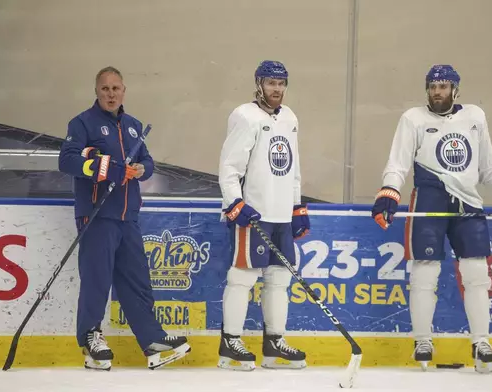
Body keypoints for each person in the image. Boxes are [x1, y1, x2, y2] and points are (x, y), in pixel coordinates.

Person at [371, 64, 492, 373]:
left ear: (455, 89)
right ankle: (423, 339)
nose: (438, 92)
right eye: (433, 86)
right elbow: (397, 164)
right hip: (429, 201)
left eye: (444, 86)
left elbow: (489, 166)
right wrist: (388, 192)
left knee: (477, 274)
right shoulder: (413, 118)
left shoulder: (475, 117)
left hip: (469, 204)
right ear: (427, 89)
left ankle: (481, 341)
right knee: (424, 273)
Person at [58, 66, 190, 371]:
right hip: (97, 215)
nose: (111, 93)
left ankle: (152, 341)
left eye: (116, 88)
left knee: (136, 282)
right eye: (105, 89)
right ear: (96, 91)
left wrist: (142, 169)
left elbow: (147, 160)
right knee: (97, 280)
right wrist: (106, 169)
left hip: (127, 216)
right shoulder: (82, 123)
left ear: (124, 91)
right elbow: (67, 160)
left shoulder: (133, 126)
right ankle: (91, 338)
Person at [216, 60, 310, 371]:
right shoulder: (245, 116)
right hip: (253, 213)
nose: (277, 89)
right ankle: (230, 342)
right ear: (259, 84)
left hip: (282, 214)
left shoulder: (290, 118)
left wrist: (297, 206)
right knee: (242, 277)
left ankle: (274, 344)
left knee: (279, 279)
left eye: (281, 83)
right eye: (271, 83)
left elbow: (293, 167)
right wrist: (235, 203)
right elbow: (229, 168)